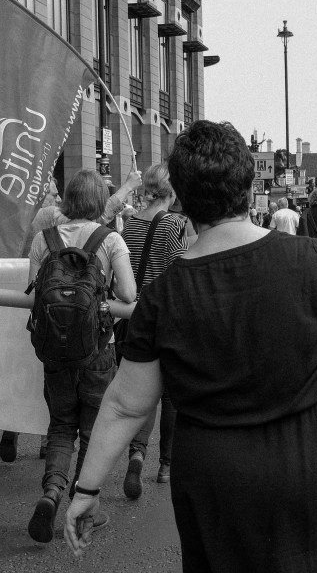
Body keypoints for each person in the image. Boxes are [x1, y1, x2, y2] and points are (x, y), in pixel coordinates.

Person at [62, 121, 317, 571]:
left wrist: (87, 489)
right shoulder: (313, 259)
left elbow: (125, 405)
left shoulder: (164, 295)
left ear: (180, 195)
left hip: (220, 482)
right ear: (248, 184)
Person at [26, 169, 136, 544]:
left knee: (60, 427)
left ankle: (51, 493)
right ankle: (84, 500)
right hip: (97, 349)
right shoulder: (110, 239)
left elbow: (33, 293)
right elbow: (129, 293)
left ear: (69, 200)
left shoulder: (44, 239)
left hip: (55, 351)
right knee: (92, 428)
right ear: (99, 202)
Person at [119, 163, 188, 497]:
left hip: (134, 317)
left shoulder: (130, 225)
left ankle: (136, 452)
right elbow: (181, 273)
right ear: (171, 191)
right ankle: (165, 465)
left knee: (143, 392)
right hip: (166, 318)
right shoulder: (174, 225)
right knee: (170, 395)